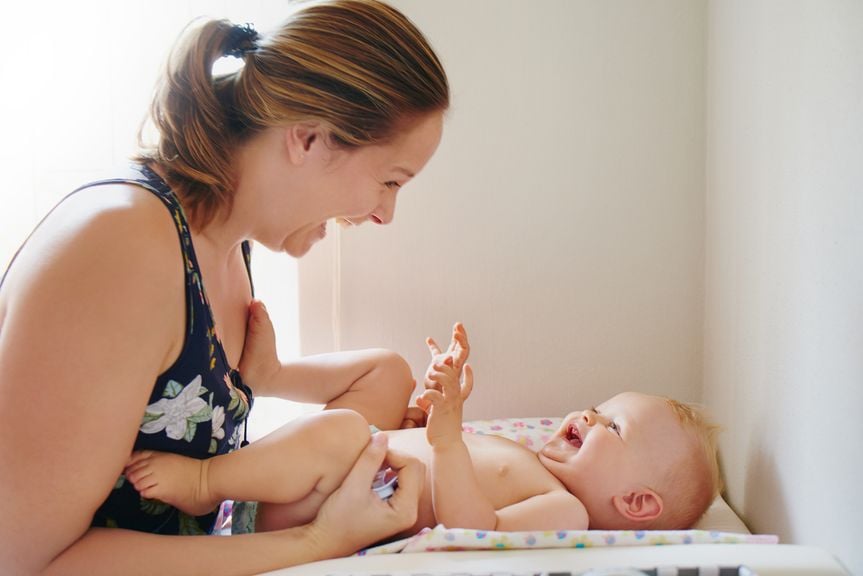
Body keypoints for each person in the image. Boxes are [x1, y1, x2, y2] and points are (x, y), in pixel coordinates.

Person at [0, 1, 449, 574]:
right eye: (389, 180)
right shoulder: (121, 248)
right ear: (309, 139)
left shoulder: (225, 242)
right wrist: (315, 543)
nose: (385, 214)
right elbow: (25, 562)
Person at [125, 320, 722, 538]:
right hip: (342, 467)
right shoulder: (533, 462)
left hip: (322, 503)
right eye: (597, 405)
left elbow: (474, 528)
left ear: (637, 502)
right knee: (388, 372)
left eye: (611, 426)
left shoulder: (564, 512)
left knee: (340, 433)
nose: (587, 415)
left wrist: (445, 437)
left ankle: (207, 482)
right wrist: (430, 409)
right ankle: (270, 375)